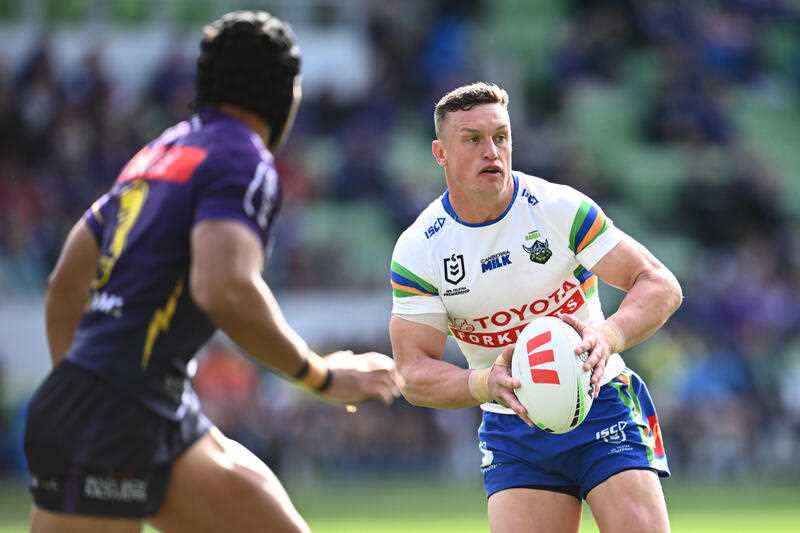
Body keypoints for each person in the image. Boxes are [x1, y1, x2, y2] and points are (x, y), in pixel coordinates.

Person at [24, 11, 399, 533]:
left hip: (146, 403)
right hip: (114, 411)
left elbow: (66, 280)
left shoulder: (157, 153)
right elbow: (224, 287)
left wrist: (79, 382)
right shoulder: (243, 159)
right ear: (287, 93)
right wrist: (320, 375)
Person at [389, 82, 682, 533]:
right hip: (514, 429)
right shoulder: (419, 250)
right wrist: (485, 382)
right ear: (440, 153)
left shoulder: (556, 209)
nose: (492, 151)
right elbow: (412, 372)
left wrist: (607, 336)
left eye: (501, 137)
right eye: (472, 139)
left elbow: (659, 283)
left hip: (601, 402)